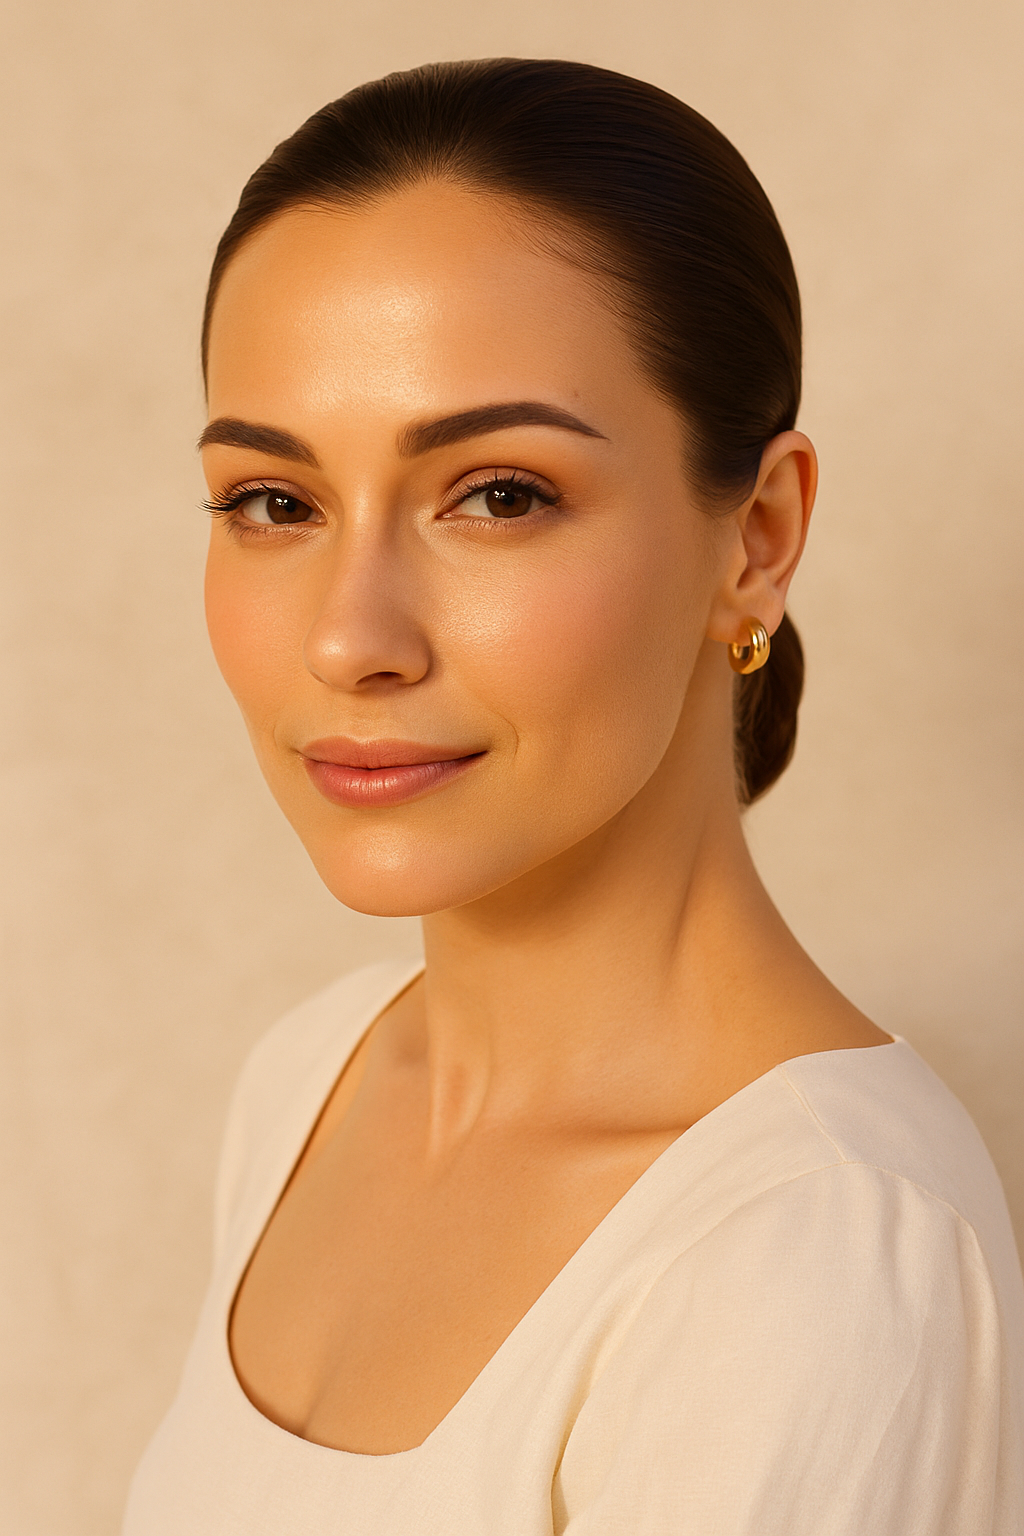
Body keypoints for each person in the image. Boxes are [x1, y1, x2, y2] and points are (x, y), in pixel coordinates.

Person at [122, 58, 1024, 1534]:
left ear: (760, 534)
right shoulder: (314, 1081)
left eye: (498, 494)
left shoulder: (812, 1250)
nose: (351, 638)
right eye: (273, 504)